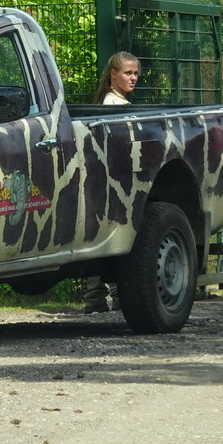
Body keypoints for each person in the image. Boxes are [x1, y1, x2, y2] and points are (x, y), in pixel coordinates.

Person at [84, 51, 139, 313]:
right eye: (128, 73)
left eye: (135, 73)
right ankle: (113, 295)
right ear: (113, 75)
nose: (133, 78)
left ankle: (95, 297)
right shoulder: (113, 106)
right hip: (113, 184)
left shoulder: (115, 103)